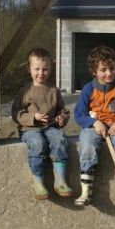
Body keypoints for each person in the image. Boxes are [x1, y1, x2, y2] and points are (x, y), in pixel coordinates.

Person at [74, 46, 115, 207]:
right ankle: (86, 190)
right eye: (103, 69)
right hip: (93, 128)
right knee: (87, 146)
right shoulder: (88, 89)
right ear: (94, 71)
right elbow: (79, 114)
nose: (109, 73)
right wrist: (94, 123)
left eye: (112, 68)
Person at [12, 47, 73, 200]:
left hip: (50, 127)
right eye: (37, 69)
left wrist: (61, 118)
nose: (41, 73)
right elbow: (16, 113)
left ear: (51, 69)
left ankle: (60, 180)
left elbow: (63, 110)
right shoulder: (25, 91)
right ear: (29, 68)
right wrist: (33, 117)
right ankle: (38, 182)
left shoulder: (53, 90)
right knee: (38, 144)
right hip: (30, 129)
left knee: (59, 140)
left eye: (45, 69)